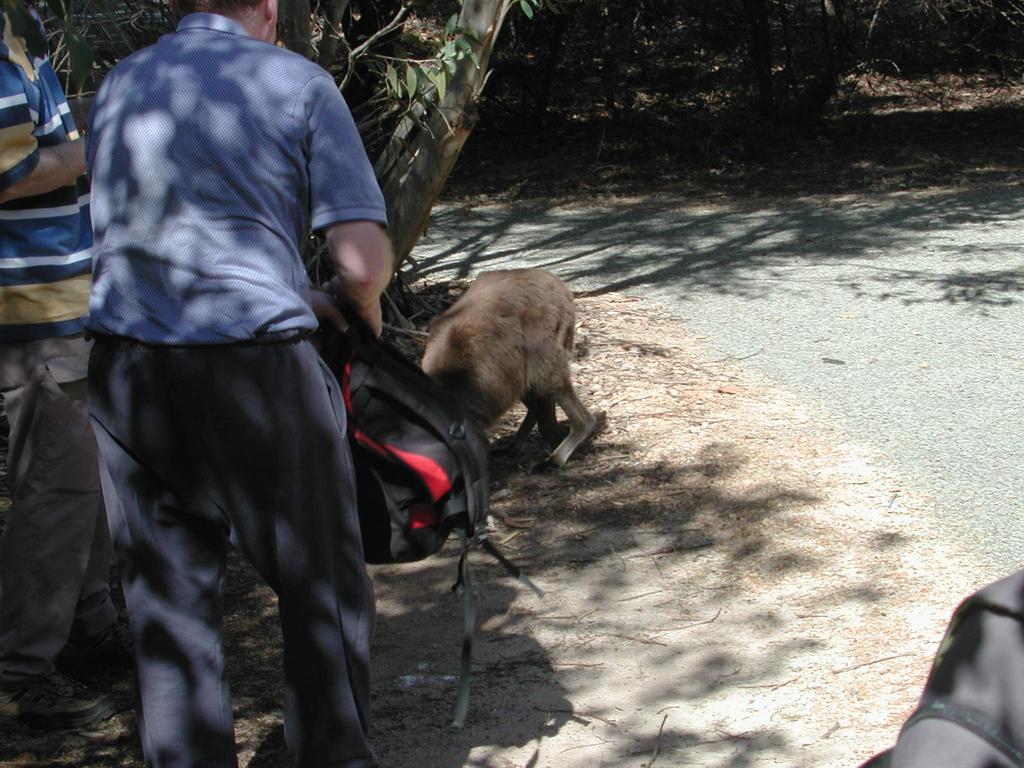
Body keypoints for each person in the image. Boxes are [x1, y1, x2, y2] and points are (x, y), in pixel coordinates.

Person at [84, 0, 393, 765]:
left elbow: (168, 238)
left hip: (128, 375)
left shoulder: (122, 82)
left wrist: (295, 293)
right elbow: (360, 261)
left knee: (168, 612)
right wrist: (364, 309)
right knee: (320, 585)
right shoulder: (295, 82)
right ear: (270, 10)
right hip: (256, 374)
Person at [0, 2, 129, 731]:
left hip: (71, 298)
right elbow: (9, 173)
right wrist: (103, 140)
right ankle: (22, 671)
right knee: (56, 488)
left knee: (90, 478)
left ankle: (88, 624)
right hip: (32, 308)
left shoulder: (23, 26)